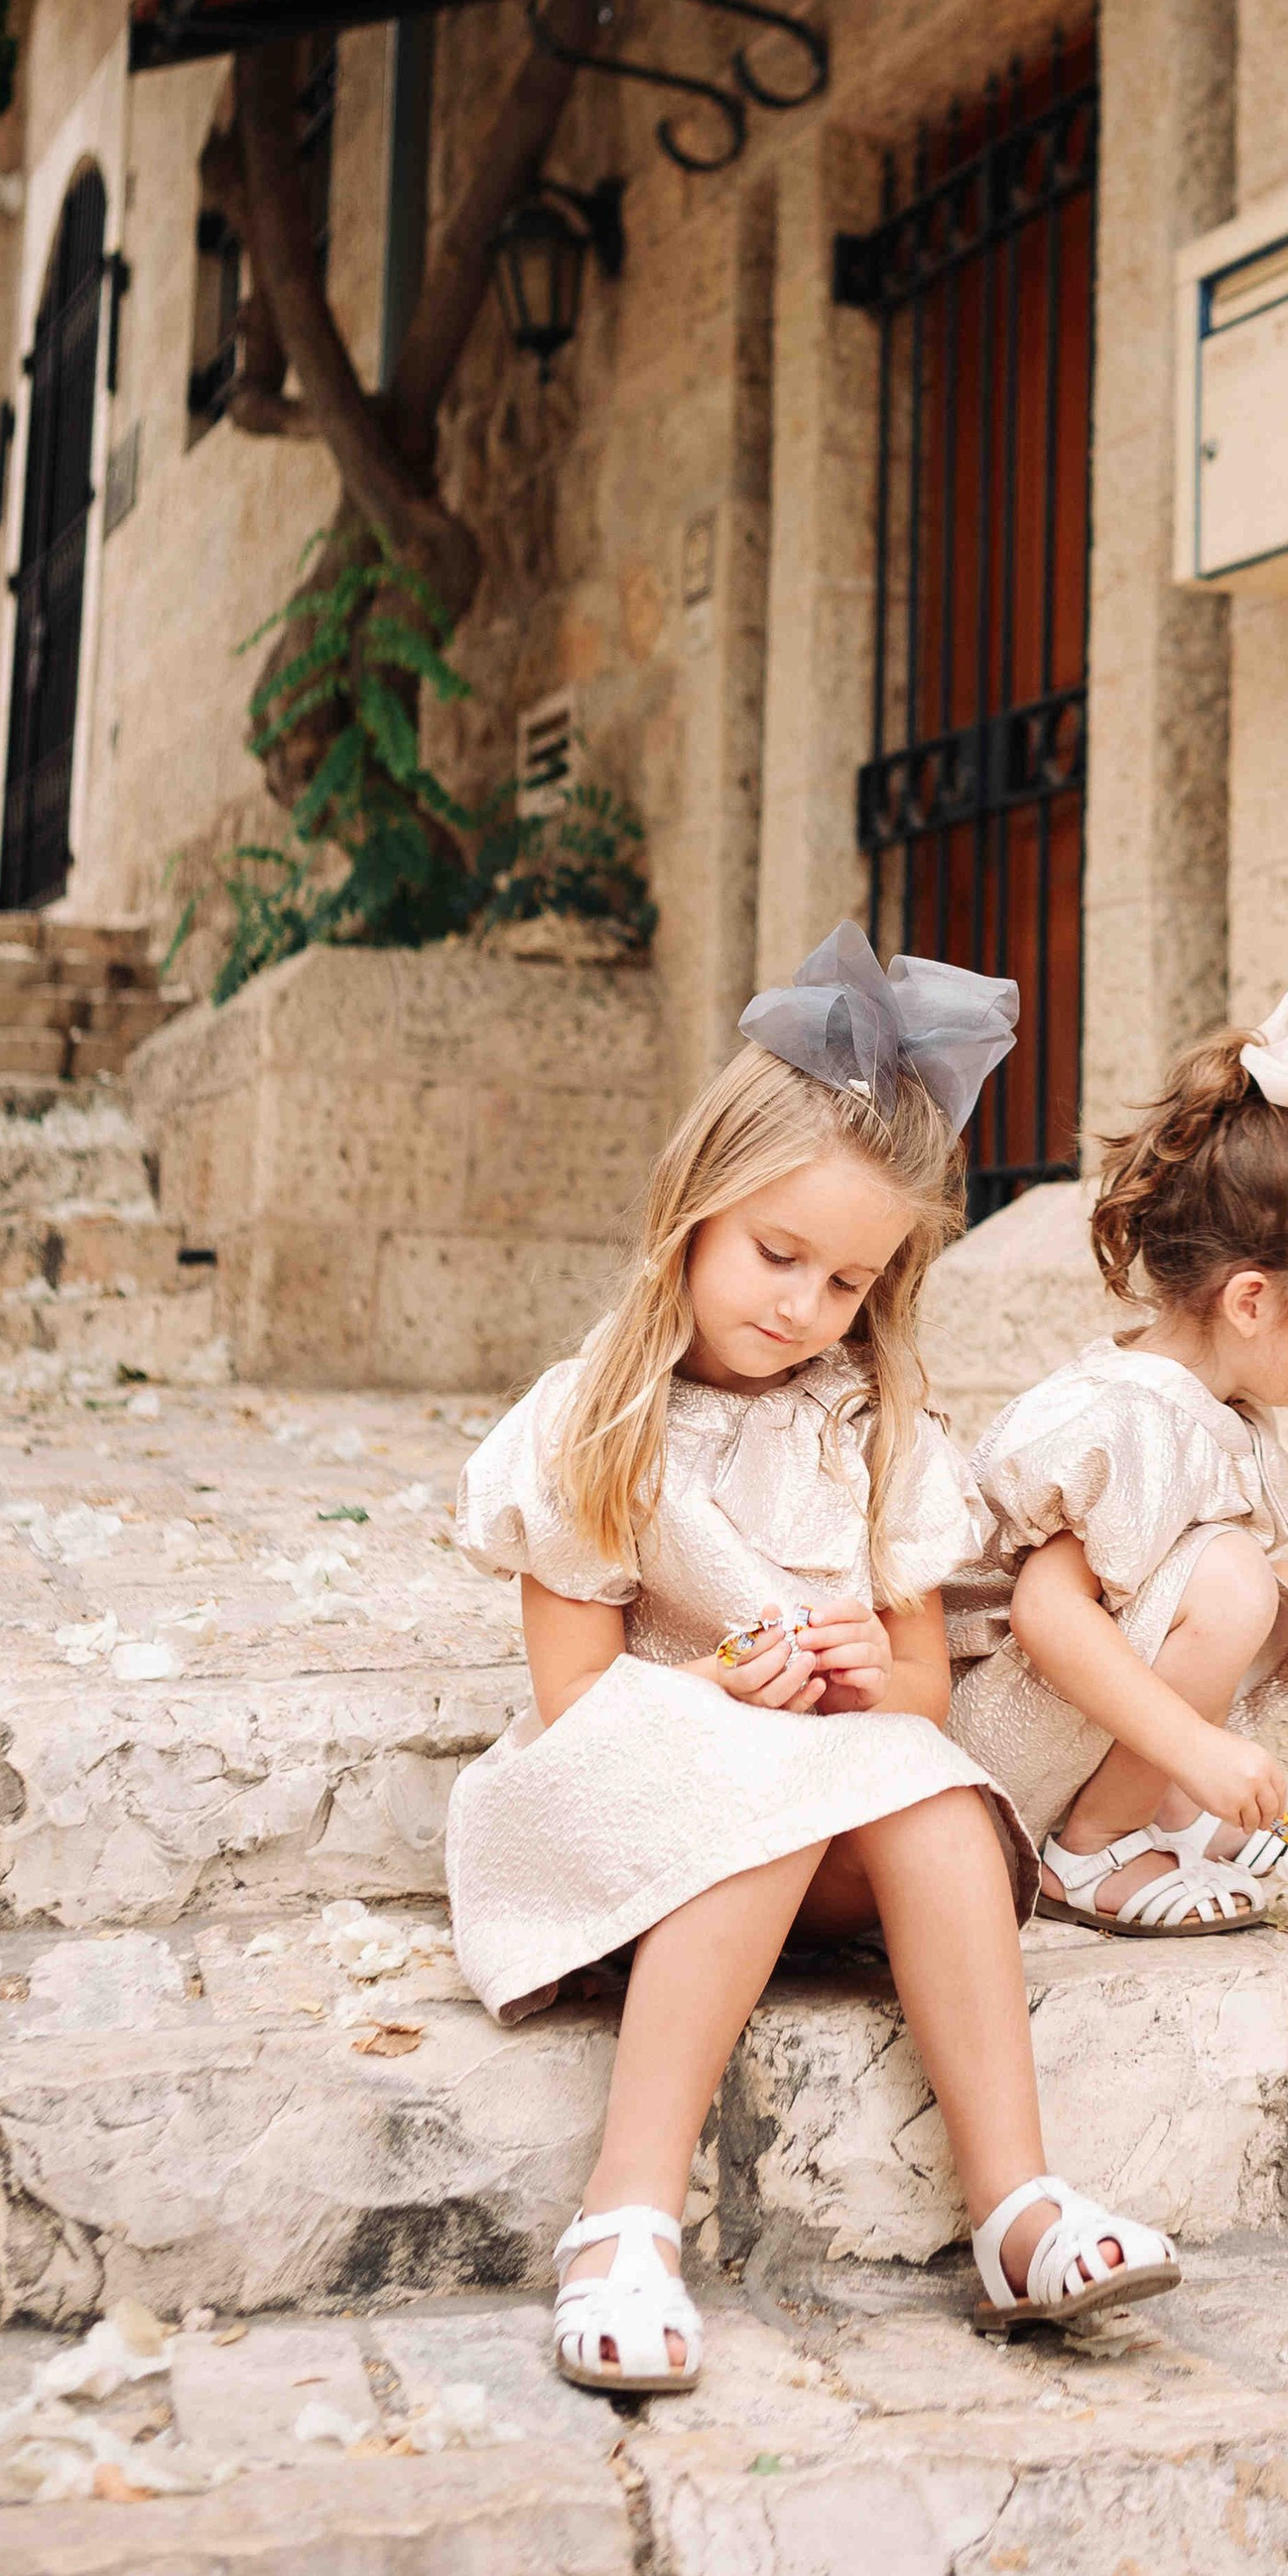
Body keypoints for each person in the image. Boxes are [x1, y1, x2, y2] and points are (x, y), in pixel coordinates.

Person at [446, 923, 1179, 2396]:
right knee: (766, 1776)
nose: (801, 1306)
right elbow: (575, 1702)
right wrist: (717, 1691)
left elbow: (921, 1694)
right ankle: (625, 2215)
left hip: (819, 1825)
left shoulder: (874, 1429)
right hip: (637, 1809)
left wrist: (859, 1663)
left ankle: (1017, 2205)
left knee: (917, 1783)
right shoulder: (594, 1421)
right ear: (695, 1213)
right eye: (777, 1255)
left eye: (845, 1283)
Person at [949, 978, 1288, 1935]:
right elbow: (1046, 1608)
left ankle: (1167, 1813)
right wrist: (1197, 1745)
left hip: (1053, 1715)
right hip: (999, 1726)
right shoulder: (1128, 1418)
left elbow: (1157, 1546)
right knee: (1234, 1586)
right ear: (1251, 1302)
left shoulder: (1198, 1400)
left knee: (1251, 1583)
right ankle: (1093, 1851)